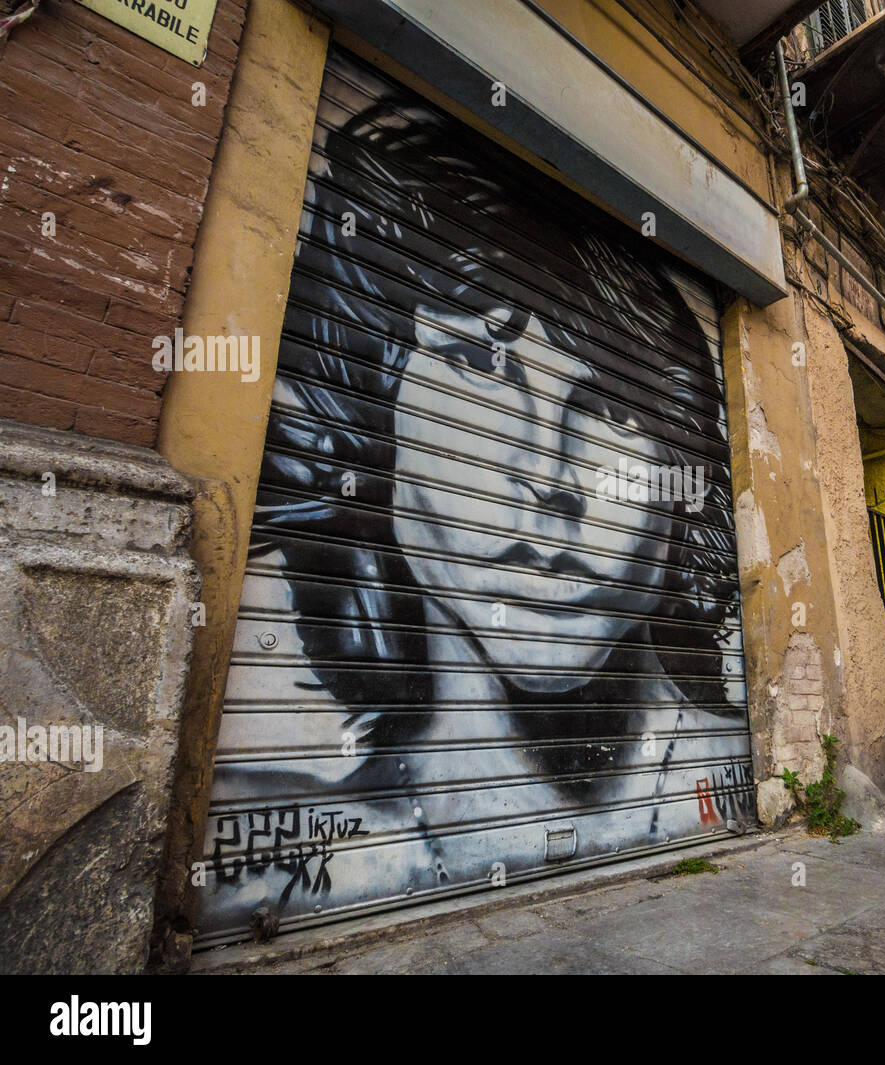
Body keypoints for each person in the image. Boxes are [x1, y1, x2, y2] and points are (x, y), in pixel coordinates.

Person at [199, 52, 753, 940]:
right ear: (377, 416)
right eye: (478, 362)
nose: (549, 474)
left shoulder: (746, 785)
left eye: (610, 405)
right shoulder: (245, 862)